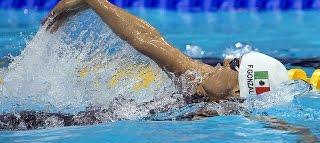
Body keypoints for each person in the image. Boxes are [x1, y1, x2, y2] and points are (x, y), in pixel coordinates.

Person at [43, 0, 240, 102]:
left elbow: (145, 40)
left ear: (238, 91)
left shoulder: (207, 90)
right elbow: (149, 40)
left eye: (235, 64)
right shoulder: (202, 82)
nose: (226, 60)